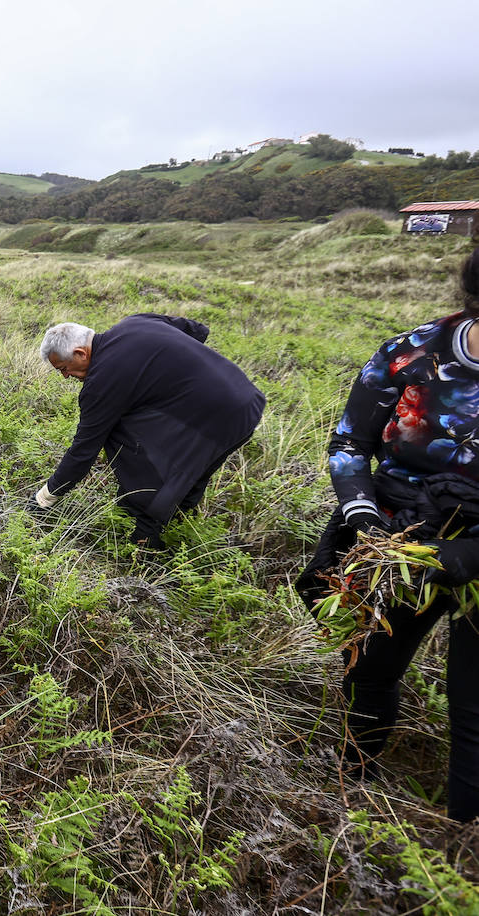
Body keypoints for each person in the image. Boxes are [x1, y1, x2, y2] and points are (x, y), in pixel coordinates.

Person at [297, 251, 479, 823]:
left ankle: (459, 846)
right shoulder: (412, 353)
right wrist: (364, 519)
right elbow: (351, 442)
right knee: (369, 669)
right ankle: (353, 797)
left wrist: (466, 555)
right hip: (400, 537)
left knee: (473, 706)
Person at [34, 315, 265, 549]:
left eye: (63, 369)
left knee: (122, 434)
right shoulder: (134, 323)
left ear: (81, 353)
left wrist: (45, 497)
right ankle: (175, 526)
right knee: (195, 470)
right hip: (248, 401)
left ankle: (144, 541)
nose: (65, 376)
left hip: (216, 417)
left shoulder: (101, 382)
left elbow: (84, 450)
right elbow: (197, 330)